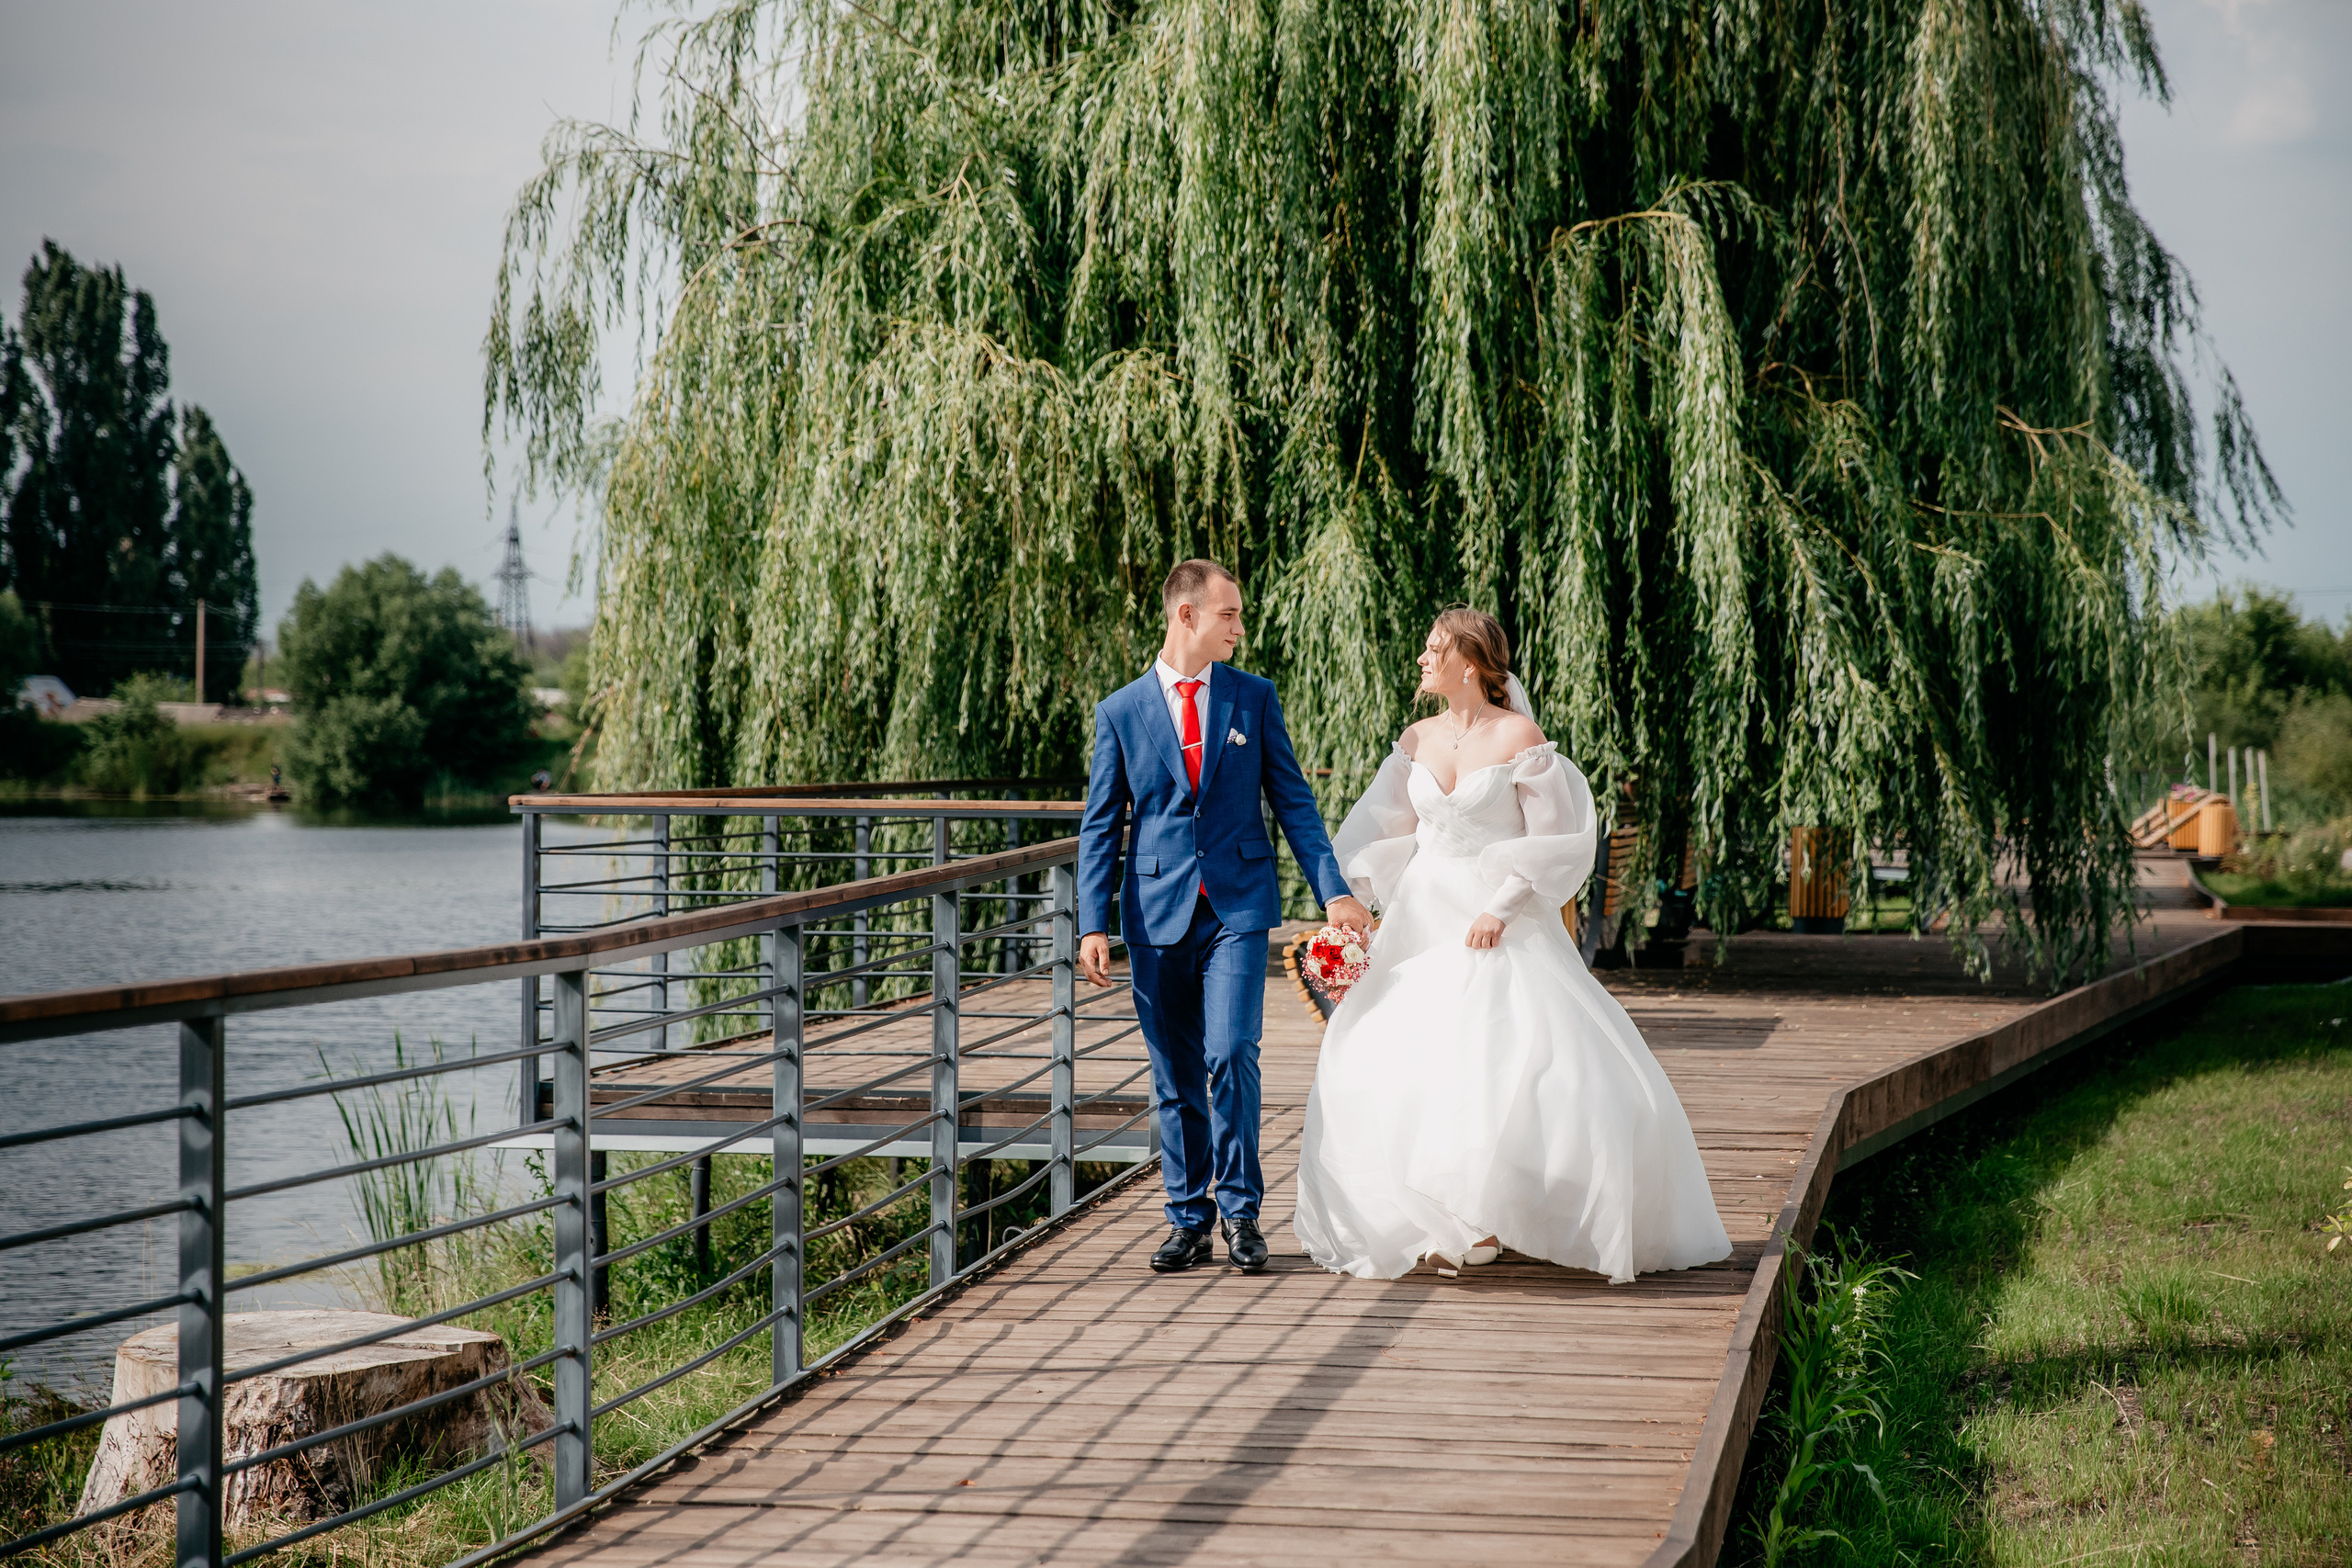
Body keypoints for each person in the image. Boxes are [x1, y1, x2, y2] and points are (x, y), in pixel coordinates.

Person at [1292, 607, 1731, 1282]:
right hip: (1423, 913)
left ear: (1471, 664)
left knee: (1500, 1062)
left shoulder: (1519, 735)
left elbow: (1555, 839)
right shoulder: (1416, 737)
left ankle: (1492, 1219)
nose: (1422, 658)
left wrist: (1500, 907)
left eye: (1434, 648)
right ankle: (1448, 1218)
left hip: (1497, 917)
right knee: (1414, 1060)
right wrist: (1353, 902)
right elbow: (1381, 823)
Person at [1078, 559, 1372, 1274]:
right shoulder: (1120, 711)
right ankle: (1188, 1218)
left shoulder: (1253, 698)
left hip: (1237, 905)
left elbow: (1294, 802)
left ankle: (1241, 1211)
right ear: (1187, 616)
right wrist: (1091, 921)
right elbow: (1099, 824)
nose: (1240, 626)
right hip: (1154, 911)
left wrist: (1332, 888)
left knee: (1231, 1050)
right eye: (1229, 615)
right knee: (1174, 1070)